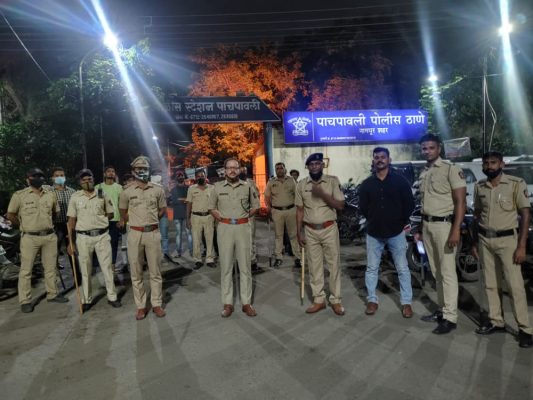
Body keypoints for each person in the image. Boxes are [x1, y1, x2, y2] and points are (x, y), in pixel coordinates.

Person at [472, 151, 532, 348]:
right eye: (486, 163)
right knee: (491, 284)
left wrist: (522, 246)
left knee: (515, 286)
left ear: (502, 164)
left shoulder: (515, 184)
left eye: (493, 162)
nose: (489, 166)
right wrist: (474, 242)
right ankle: (496, 321)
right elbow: (477, 215)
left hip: (508, 241)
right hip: (485, 240)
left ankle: (525, 329)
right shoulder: (480, 186)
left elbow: (525, 215)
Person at [418, 133, 466, 334]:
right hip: (428, 226)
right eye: (424, 148)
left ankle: (450, 317)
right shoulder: (424, 172)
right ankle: (441, 310)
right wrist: (420, 229)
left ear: (439, 148)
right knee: (436, 272)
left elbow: (460, 202)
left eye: (431, 147)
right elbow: (425, 203)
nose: (427, 151)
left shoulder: (450, 169)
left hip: (445, 226)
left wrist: (456, 229)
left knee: (447, 273)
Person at [358, 147, 415, 317]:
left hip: (396, 232)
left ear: (389, 160)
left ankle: (406, 302)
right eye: (376, 157)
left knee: (402, 268)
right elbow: (363, 207)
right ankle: (372, 300)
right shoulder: (367, 184)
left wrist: (400, 222)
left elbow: (409, 204)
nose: (380, 160)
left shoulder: (400, 182)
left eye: (383, 157)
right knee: (371, 268)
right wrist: (374, 219)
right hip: (374, 233)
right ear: (373, 161)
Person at [7, 168, 68, 313]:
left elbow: (55, 213)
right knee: (26, 270)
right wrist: (23, 225)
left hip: (49, 237)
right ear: (28, 179)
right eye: (34, 176)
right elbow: (11, 215)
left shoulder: (50, 194)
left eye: (40, 176)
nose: (38, 178)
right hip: (30, 238)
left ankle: (52, 294)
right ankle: (25, 300)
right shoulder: (19, 195)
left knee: (51, 268)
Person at [208, 158, 259, 318]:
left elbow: (256, 206)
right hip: (225, 228)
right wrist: (222, 218)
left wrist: (244, 217)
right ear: (224, 170)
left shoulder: (247, 186)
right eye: (229, 168)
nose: (232, 170)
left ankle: (246, 303)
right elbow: (211, 207)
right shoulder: (217, 187)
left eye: (235, 168)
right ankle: (227, 303)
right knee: (226, 267)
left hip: (243, 228)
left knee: (245, 267)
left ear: (239, 170)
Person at [295, 153, 346, 316]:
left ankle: (336, 300)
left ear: (322, 165)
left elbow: (340, 205)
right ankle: (319, 300)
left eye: (318, 163)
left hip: (329, 228)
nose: (315, 166)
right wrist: (299, 232)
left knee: (333, 265)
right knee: (314, 266)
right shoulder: (301, 185)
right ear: (308, 167)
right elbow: (300, 210)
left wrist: (323, 194)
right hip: (310, 230)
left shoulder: (332, 181)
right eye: (311, 164)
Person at [119, 156, 167, 320]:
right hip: (135, 234)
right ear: (133, 171)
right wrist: (136, 222)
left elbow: (162, 210)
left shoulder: (158, 190)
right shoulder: (127, 192)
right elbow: (123, 212)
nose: (142, 171)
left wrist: (150, 222)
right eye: (138, 168)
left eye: (145, 168)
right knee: (136, 272)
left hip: (152, 233)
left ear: (149, 170)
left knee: (155, 271)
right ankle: (140, 306)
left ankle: (156, 304)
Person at [67, 169, 121, 311]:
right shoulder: (75, 197)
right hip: (83, 237)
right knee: (85, 270)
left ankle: (112, 297)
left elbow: (110, 213)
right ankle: (87, 299)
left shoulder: (102, 193)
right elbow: (71, 220)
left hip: (102, 236)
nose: (87, 181)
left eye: (89, 178)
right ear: (79, 182)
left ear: (93, 179)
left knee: (107, 268)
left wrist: (99, 220)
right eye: (83, 179)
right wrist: (71, 242)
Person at [264, 162, 301, 268]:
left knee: (293, 235)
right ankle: (278, 257)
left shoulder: (291, 180)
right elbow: (267, 196)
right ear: (275, 170)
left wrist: (298, 209)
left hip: (291, 210)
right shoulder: (271, 182)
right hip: (277, 211)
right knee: (278, 235)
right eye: (277, 168)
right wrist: (269, 208)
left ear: (285, 169)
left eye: (281, 168)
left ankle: (298, 258)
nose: (279, 170)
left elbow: (297, 195)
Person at [49, 167, 81, 281]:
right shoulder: (48, 192)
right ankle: (53, 280)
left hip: (70, 225)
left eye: (62, 175)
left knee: (72, 251)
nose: (59, 177)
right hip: (55, 226)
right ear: (52, 178)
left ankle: (78, 278)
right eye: (57, 175)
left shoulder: (72, 192)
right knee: (53, 253)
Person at [186, 169, 216, 269]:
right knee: (196, 239)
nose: (200, 177)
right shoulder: (191, 189)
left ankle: (210, 259)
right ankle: (198, 260)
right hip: (196, 217)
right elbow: (189, 204)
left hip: (209, 216)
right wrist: (187, 219)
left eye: (202, 176)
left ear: (205, 176)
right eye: (198, 176)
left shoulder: (212, 188)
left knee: (209, 239)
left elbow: (215, 203)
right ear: (195, 178)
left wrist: (217, 217)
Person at [95, 166, 123, 271]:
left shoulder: (119, 188)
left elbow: (122, 204)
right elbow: (98, 203)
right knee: (101, 243)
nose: (111, 173)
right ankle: (102, 264)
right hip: (102, 220)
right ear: (104, 174)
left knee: (114, 243)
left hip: (115, 219)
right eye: (109, 171)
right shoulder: (99, 187)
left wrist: (122, 219)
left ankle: (112, 264)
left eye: (113, 171)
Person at [240, 165, 259, 271]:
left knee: (251, 239)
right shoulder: (234, 183)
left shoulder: (251, 183)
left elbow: (257, 197)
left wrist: (253, 211)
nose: (243, 172)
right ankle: (240, 262)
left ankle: (252, 261)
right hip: (238, 217)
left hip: (250, 215)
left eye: (245, 170)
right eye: (241, 170)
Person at [170, 170, 192, 259]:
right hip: (180, 213)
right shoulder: (187, 189)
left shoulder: (188, 188)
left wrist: (181, 199)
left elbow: (189, 200)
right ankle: (183, 252)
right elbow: (175, 201)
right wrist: (185, 199)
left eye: (181, 175)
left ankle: (187, 251)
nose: (180, 177)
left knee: (186, 234)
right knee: (183, 234)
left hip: (185, 213)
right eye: (179, 176)